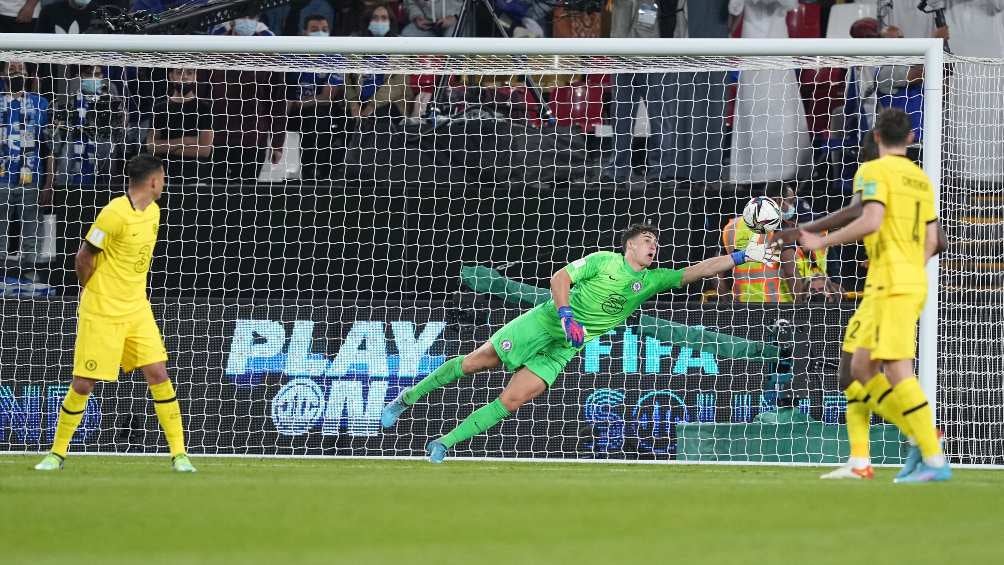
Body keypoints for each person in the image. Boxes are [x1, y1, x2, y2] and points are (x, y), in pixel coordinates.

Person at [380, 223, 780, 463]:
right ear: (629, 245)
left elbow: (698, 271)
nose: (653, 246)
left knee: (514, 400)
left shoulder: (652, 281)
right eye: (646, 240)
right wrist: (567, 315)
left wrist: (743, 255)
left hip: (566, 346)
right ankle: (407, 398)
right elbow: (559, 279)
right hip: (545, 323)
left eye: (655, 243)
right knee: (473, 363)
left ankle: (445, 443)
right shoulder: (603, 261)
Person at [794, 109, 950, 483]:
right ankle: (882, 452)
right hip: (902, 281)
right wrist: (907, 263)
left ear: (877, 136)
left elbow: (871, 218)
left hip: (891, 284)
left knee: (895, 368)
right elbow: (933, 241)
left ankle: (931, 451)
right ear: (911, 139)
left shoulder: (872, 171)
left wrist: (822, 240)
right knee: (859, 371)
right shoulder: (921, 179)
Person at [34, 154, 196, 473]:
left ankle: (180, 455)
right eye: (162, 178)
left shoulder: (154, 212)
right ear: (152, 181)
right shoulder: (113, 214)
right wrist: (92, 290)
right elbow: (83, 257)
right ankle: (56, 453)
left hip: (136, 308)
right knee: (84, 383)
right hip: (103, 310)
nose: (164, 183)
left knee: (158, 373)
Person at [728, 0, 812, 184]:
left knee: (781, 100)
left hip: (776, 41)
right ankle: (754, 171)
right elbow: (734, 7)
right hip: (753, 42)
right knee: (754, 102)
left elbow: (790, 4)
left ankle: (787, 167)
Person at [717, 183, 841, 303]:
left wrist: (725, 301)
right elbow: (790, 270)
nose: (793, 206)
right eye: (791, 201)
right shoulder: (779, 228)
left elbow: (717, 269)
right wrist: (800, 308)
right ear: (778, 200)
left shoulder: (733, 227)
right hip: (779, 305)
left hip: (742, 306)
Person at [0, 61, 52, 266]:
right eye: (11, 69)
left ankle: (33, 282)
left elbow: (49, 147)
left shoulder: (41, 104)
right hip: (1, 180)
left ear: (29, 75)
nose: (16, 73)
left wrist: (48, 182)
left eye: (20, 70)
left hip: (30, 179)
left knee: (32, 239)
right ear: (3, 74)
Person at [287, 14, 348, 180]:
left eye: (324, 30)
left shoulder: (336, 57)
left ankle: (316, 173)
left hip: (314, 109)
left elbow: (327, 97)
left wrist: (298, 105)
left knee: (319, 117)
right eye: (314, 30)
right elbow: (280, 87)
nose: (320, 33)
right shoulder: (290, 55)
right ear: (304, 32)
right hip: (288, 107)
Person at [146, 67, 215, 184]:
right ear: (171, 76)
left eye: (189, 73)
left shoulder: (204, 108)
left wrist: (166, 148)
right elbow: (151, 147)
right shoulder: (159, 107)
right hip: (165, 177)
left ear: (195, 76)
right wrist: (186, 140)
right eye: (179, 72)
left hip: (196, 177)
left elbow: (204, 150)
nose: (184, 77)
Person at [345, 4, 411, 125]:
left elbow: (397, 86)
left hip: (389, 104)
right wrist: (354, 105)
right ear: (368, 21)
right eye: (375, 18)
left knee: (380, 117)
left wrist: (372, 106)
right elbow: (348, 79)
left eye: (384, 18)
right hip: (358, 102)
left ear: (390, 22)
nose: (379, 21)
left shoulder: (401, 46)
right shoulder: (356, 45)